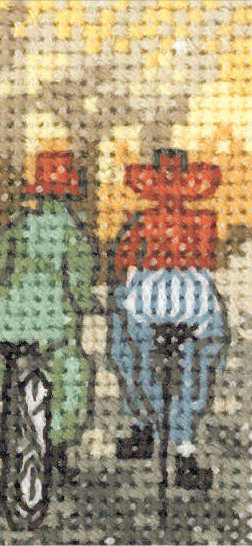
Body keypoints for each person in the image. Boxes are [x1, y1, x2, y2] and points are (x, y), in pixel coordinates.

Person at [110, 148, 230, 491]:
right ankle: (184, 449)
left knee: (127, 348)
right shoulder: (203, 220)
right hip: (192, 303)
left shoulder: (141, 221)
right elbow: (208, 261)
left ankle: (143, 423)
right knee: (202, 355)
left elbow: (123, 261)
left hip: (147, 301)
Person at [0, 150, 98, 481]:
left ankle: (7, 413)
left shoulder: (18, 226)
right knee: (73, 369)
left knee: (3, 362)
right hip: (51, 323)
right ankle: (58, 441)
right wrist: (90, 303)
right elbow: (79, 286)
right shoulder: (73, 233)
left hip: (7, 318)